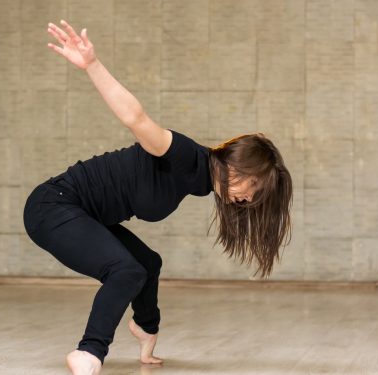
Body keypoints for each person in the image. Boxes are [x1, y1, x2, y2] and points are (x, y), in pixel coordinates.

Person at [24, 19, 293, 375]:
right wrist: (92, 64)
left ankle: (145, 330)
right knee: (125, 269)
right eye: (254, 188)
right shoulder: (183, 155)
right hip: (52, 206)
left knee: (147, 263)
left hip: (80, 212)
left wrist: (148, 328)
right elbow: (135, 117)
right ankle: (89, 352)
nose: (249, 199)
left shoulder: (201, 180)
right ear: (240, 166)